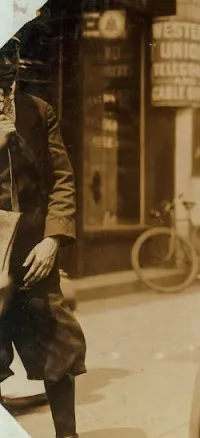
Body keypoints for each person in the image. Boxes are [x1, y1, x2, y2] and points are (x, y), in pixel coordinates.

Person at [0, 36, 86, 438]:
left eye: (10, 54)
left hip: (34, 255)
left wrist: (53, 239)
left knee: (59, 351)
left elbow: (63, 181)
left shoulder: (36, 110)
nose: (6, 65)